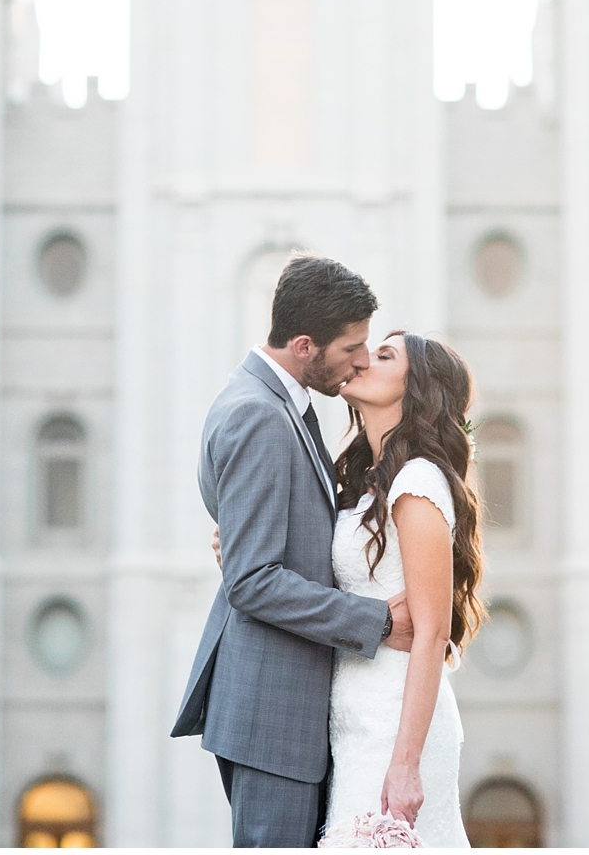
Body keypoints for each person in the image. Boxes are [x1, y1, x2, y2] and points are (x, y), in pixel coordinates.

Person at [174, 255, 417, 847]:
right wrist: (380, 619)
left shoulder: (274, 404)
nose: (361, 360)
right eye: (351, 348)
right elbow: (253, 581)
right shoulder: (258, 416)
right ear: (305, 345)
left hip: (283, 707)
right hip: (272, 711)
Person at [319, 330, 486, 847]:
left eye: (385, 355)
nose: (364, 359)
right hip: (357, 721)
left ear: (416, 389)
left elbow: (432, 631)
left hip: (395, 729)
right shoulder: (362, 482)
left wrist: (406, 764)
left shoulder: (417, 483)